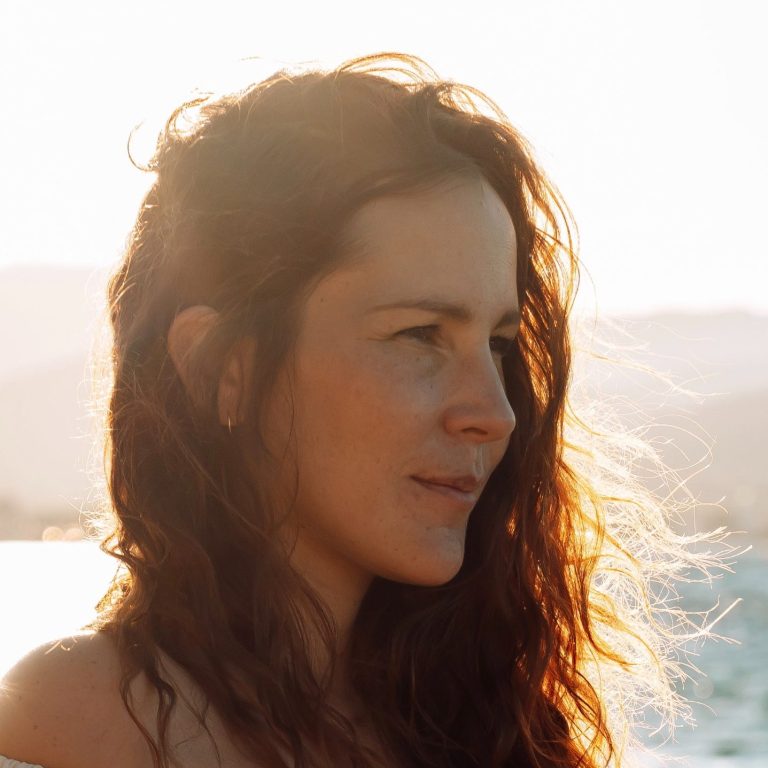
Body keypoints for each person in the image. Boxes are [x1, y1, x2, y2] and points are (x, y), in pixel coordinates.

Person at [0, 53, 717, 768]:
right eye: (420, 334)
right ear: (223, 368)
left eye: (498, 345)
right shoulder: (88, 721)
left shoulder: (488, 726)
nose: (496, 414)